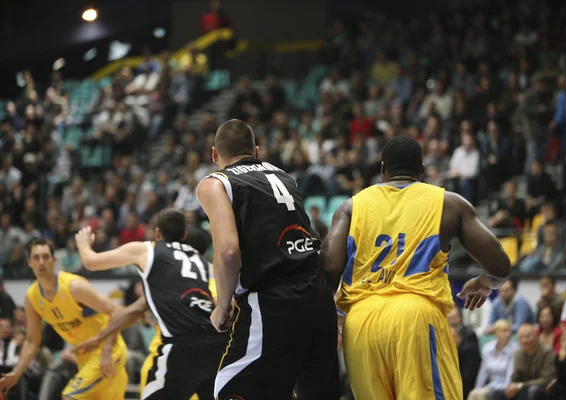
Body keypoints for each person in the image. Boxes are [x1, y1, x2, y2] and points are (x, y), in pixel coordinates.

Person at [321, 135, 512, 399]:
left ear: (382, 169)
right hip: (415, 317)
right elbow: (500, 266)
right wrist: (484, 283)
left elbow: (329, 268)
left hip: (361, 323)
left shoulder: (351, 206)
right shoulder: (448, 203)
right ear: (422, 171)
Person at [196, 119, 340, 400]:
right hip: (318, 296)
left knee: (228, 390)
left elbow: (227, 251)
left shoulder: (216, 183)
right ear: (256, 151)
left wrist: (222, 307)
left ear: (215, 154)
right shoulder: (285, 176)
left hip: (272, 302)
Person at [74, 209, 225, 400]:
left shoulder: (148, 250)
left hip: (180, 345)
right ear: (183, 235)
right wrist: (101, 337)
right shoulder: (203, 262)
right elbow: (138, 308)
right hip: (216, 346)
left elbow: (90, 262)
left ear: (157, 233)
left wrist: (83, 243)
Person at [0, 238, 128, 399]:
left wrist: (107, 352)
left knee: (69, 396)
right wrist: (15, 374)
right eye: (36, 258)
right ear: (30, 262)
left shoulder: (74, 287)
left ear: (54, 260)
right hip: (84, 358)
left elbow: (116, 312)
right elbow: (32, 341)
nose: (41, 262)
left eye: (46, 257)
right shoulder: (32, 297)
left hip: (108, 351)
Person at [468, 319, 519, 400]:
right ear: (496, 333)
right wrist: (477, 388)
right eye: (504, 331)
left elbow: (511, 374)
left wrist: (507, 390)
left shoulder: (514, 349)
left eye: (510, 331)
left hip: (505, 386)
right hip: (492, 385)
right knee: (473, 393)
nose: (508, 334)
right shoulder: (488, 348)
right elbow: (483, 372)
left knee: (482, 395)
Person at [506, 324, 555, 400]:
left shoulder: (546, 353)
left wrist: (520, 385)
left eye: (528, 336)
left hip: (542, 390)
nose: (525, 340)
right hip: (524, 388)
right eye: (521, 337)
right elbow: (516, 377)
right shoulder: (518, 354)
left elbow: (546, 379)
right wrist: (511, 385)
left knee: (533, 390)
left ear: (536, 337)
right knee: (496, 393)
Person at [451, 325, 481, 399]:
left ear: (458, 337)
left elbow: (467, 377)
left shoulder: (469, 350)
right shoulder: (449, 351)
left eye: (451, 337)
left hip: (468, 387)